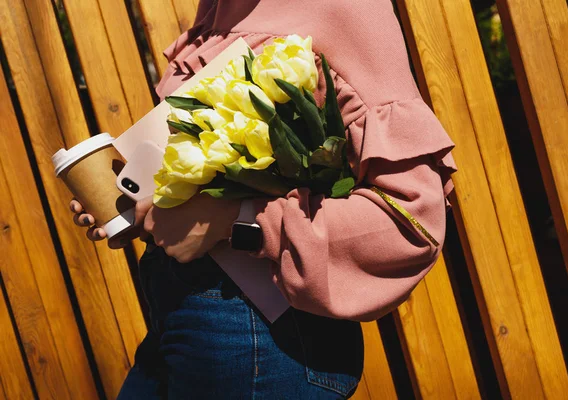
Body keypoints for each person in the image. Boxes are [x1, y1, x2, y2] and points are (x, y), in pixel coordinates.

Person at [69, 0, 456, 398]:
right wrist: (143, 200)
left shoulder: (346, 8)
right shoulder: (219, 9)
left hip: (260, 338)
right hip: (180, 318)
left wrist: (234, 221)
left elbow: (410, 221)